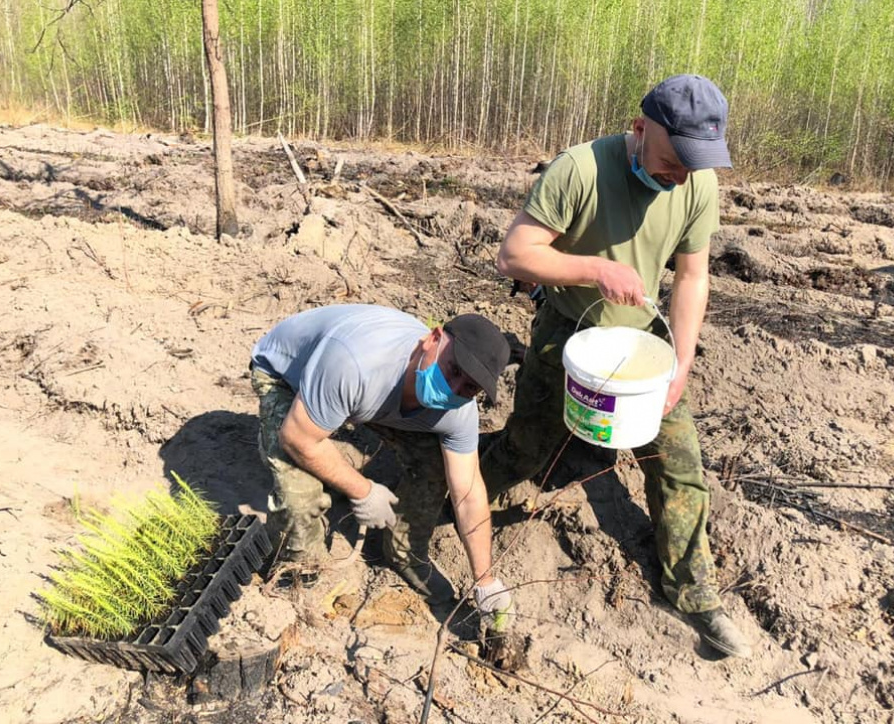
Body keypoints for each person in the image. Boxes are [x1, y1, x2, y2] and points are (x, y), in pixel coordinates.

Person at [480, 74, 751, 657]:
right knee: (526, 449)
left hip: (644, 341)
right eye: (671, 160)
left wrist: (679, 364)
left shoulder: (697, 184)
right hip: (568, 331)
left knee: (678, 463)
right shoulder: (580, 170)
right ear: (639, 129)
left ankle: (691, 588)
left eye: (694, 163)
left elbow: (693, 276)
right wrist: (596, 270)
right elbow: (514, 254)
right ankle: (451, 494)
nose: (679, 174)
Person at [250, 304, 514, 629]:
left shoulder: (458, 410)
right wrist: (363, 490)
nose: (453, 390)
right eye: (453, 370)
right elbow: (297, 438)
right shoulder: (357, 363)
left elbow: (469, 491)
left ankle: (404, 551)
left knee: (435, 464)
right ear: (432, 339)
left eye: (469, 387)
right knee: (300, 493)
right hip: (286, 377)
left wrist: (485, 581)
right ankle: (299, 574)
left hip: (370, 399)